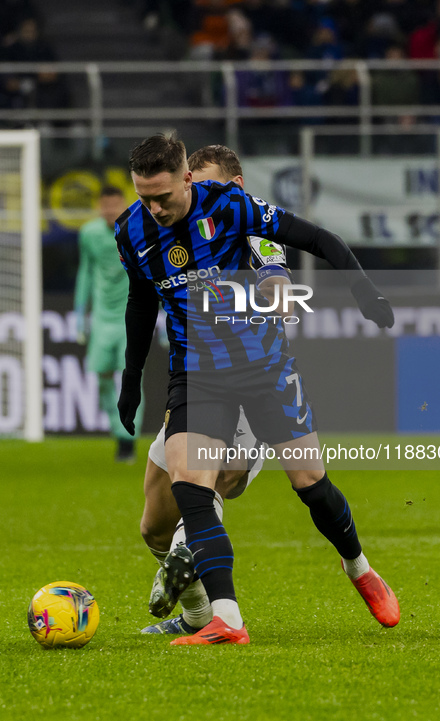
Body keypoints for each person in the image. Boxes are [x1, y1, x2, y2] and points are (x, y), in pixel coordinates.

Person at [116, 133, 399, 646]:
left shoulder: (230, 206)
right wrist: (131, 378)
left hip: (264, 369)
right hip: (197, 375)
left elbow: (316, 239)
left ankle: (359, 567)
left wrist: (362, 288)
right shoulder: (131, 230)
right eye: (144, 198)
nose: (154, 209)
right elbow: (140, 303)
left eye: (163, 197)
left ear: (186, 179)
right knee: (191, 484)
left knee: (311, 484)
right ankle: (226, 618)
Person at [140, 144, 289, 635]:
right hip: (191, 384)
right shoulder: (173, 231)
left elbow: (276, 280)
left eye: (211, 186)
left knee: (216, 478)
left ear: (237, 185)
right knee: (153, 525)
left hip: (245, 386)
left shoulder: (252, 228)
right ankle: (195, 613)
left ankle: (201, 571)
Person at [75, 185, 143, 462]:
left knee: (131, 376)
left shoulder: (137, 230)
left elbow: (152, 272)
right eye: (105, 206)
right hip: (103, 318)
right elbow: (86, 272)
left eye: (115, 206)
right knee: (102, 377)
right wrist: (80, 313)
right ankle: (119, 431)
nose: (110, 211)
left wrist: (163, 314)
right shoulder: (89, 234)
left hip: (132, 317)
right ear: (99, 207)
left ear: (123, 205)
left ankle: (129, 439)